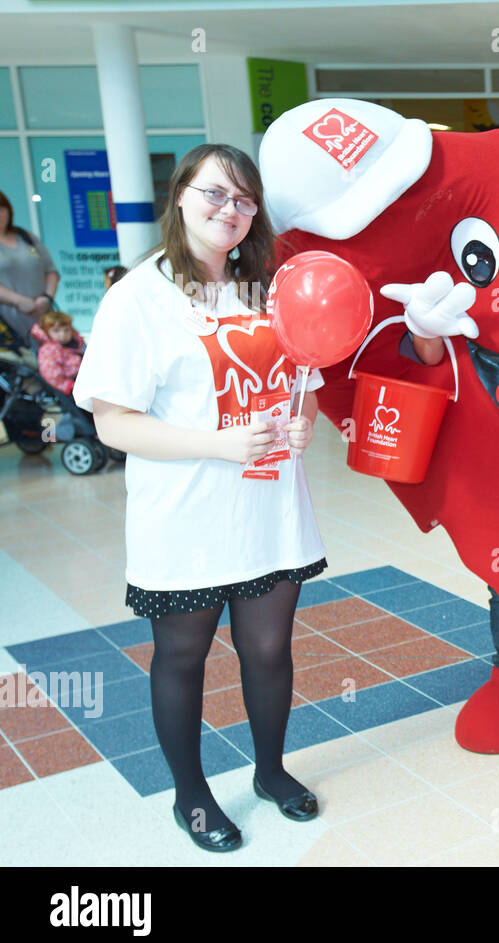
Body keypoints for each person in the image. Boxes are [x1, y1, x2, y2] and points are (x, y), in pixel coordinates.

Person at [73, 144, 327, 853]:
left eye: (245, 200)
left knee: (269, 650)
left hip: (269, 507)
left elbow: (301, 374)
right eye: (216, 194)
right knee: (182, 655)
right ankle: (191, 795)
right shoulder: (139, 297)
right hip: (185, 515)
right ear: (180, 196)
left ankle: (272, 772)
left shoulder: (264, 290)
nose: (230, 210)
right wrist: (219, 443)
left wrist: (303, 415)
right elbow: (111, 420)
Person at [0, 189, 59, 348]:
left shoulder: (25, 236)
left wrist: (47, 298)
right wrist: (19, 301)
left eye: (2, 209)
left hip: (42, 316)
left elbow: (51, 270)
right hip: (7, 323)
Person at [31, 310, 83, 395]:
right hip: (70, 386)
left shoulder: (76, 344)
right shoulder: (48, 350)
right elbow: (51, 374)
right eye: (56, 331)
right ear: (46, 332)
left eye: (66, 330)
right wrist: (68, 385)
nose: (62, 334)